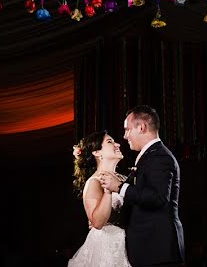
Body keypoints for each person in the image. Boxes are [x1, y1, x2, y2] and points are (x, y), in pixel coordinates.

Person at [98, 105, 185, 266]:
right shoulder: (149, 155)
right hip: (148, 249)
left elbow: (158, 198)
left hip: (157, 250)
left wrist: (119, 187)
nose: (124, 136)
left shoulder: (159, 156)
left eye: (127, 130)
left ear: (141, 127)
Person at [68, 130, 131, 266]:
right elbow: (97, 222)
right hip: (107, 247)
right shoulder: (94, 182)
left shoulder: (125, 179)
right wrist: (108, 191)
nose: (118, 144)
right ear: (97, 152)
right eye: (110, 142)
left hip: (129, 244)